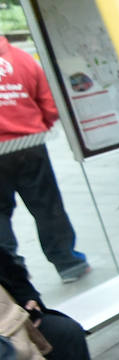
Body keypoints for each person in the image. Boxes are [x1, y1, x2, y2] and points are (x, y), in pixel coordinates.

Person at [0, 36, 88, 283]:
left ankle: (11, 273)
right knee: (46, 205)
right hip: (30, 145)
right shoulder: (23, 59)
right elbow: (49, 106)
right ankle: (68, 263)